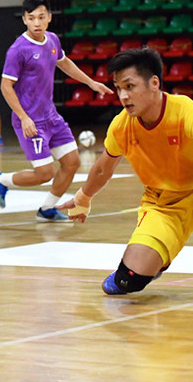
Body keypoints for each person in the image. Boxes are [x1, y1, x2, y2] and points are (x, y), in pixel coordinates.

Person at [59, 48, 193, 294]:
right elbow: (102, 169)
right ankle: (152, 261)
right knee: (127, 280)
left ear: (154, 83)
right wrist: (83, 197)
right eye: (118, 88)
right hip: (164, 204)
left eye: (129, 87)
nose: (122, 95)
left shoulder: (185, 112)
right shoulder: (122, 126)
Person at [0, 0, 111, 222]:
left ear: (49, 18)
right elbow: (6, 87)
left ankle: (47, 209)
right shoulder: (18, 49)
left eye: (41, 17)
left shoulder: (53, 40)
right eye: (31, 18)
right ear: (25, 20)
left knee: (72, 162)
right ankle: (1, 180)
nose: (36, 22)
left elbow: (64, 62)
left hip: (51, 117)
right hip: (30, 121)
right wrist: (24, 117)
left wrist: (90, 82)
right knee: (44, 174)